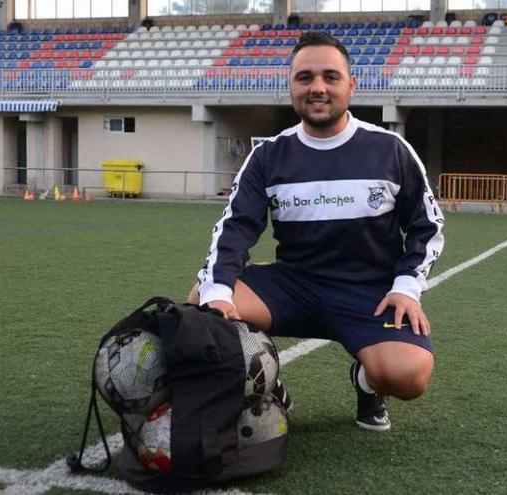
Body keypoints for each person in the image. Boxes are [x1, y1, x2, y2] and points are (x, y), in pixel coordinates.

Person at [188, 31, 444, 431]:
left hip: (369, 292)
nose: (318, 88)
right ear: (291, 86)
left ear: (351, 85)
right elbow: (234, 230)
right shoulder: (269, 155)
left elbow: (426, 227)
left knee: (408, 375)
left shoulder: (390, 149)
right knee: (203, 304)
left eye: (330, 76)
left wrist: (406, 286)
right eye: (305, 78)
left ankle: (366, 382)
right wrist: (218, 292)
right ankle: (267, 384)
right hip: (295, 284)